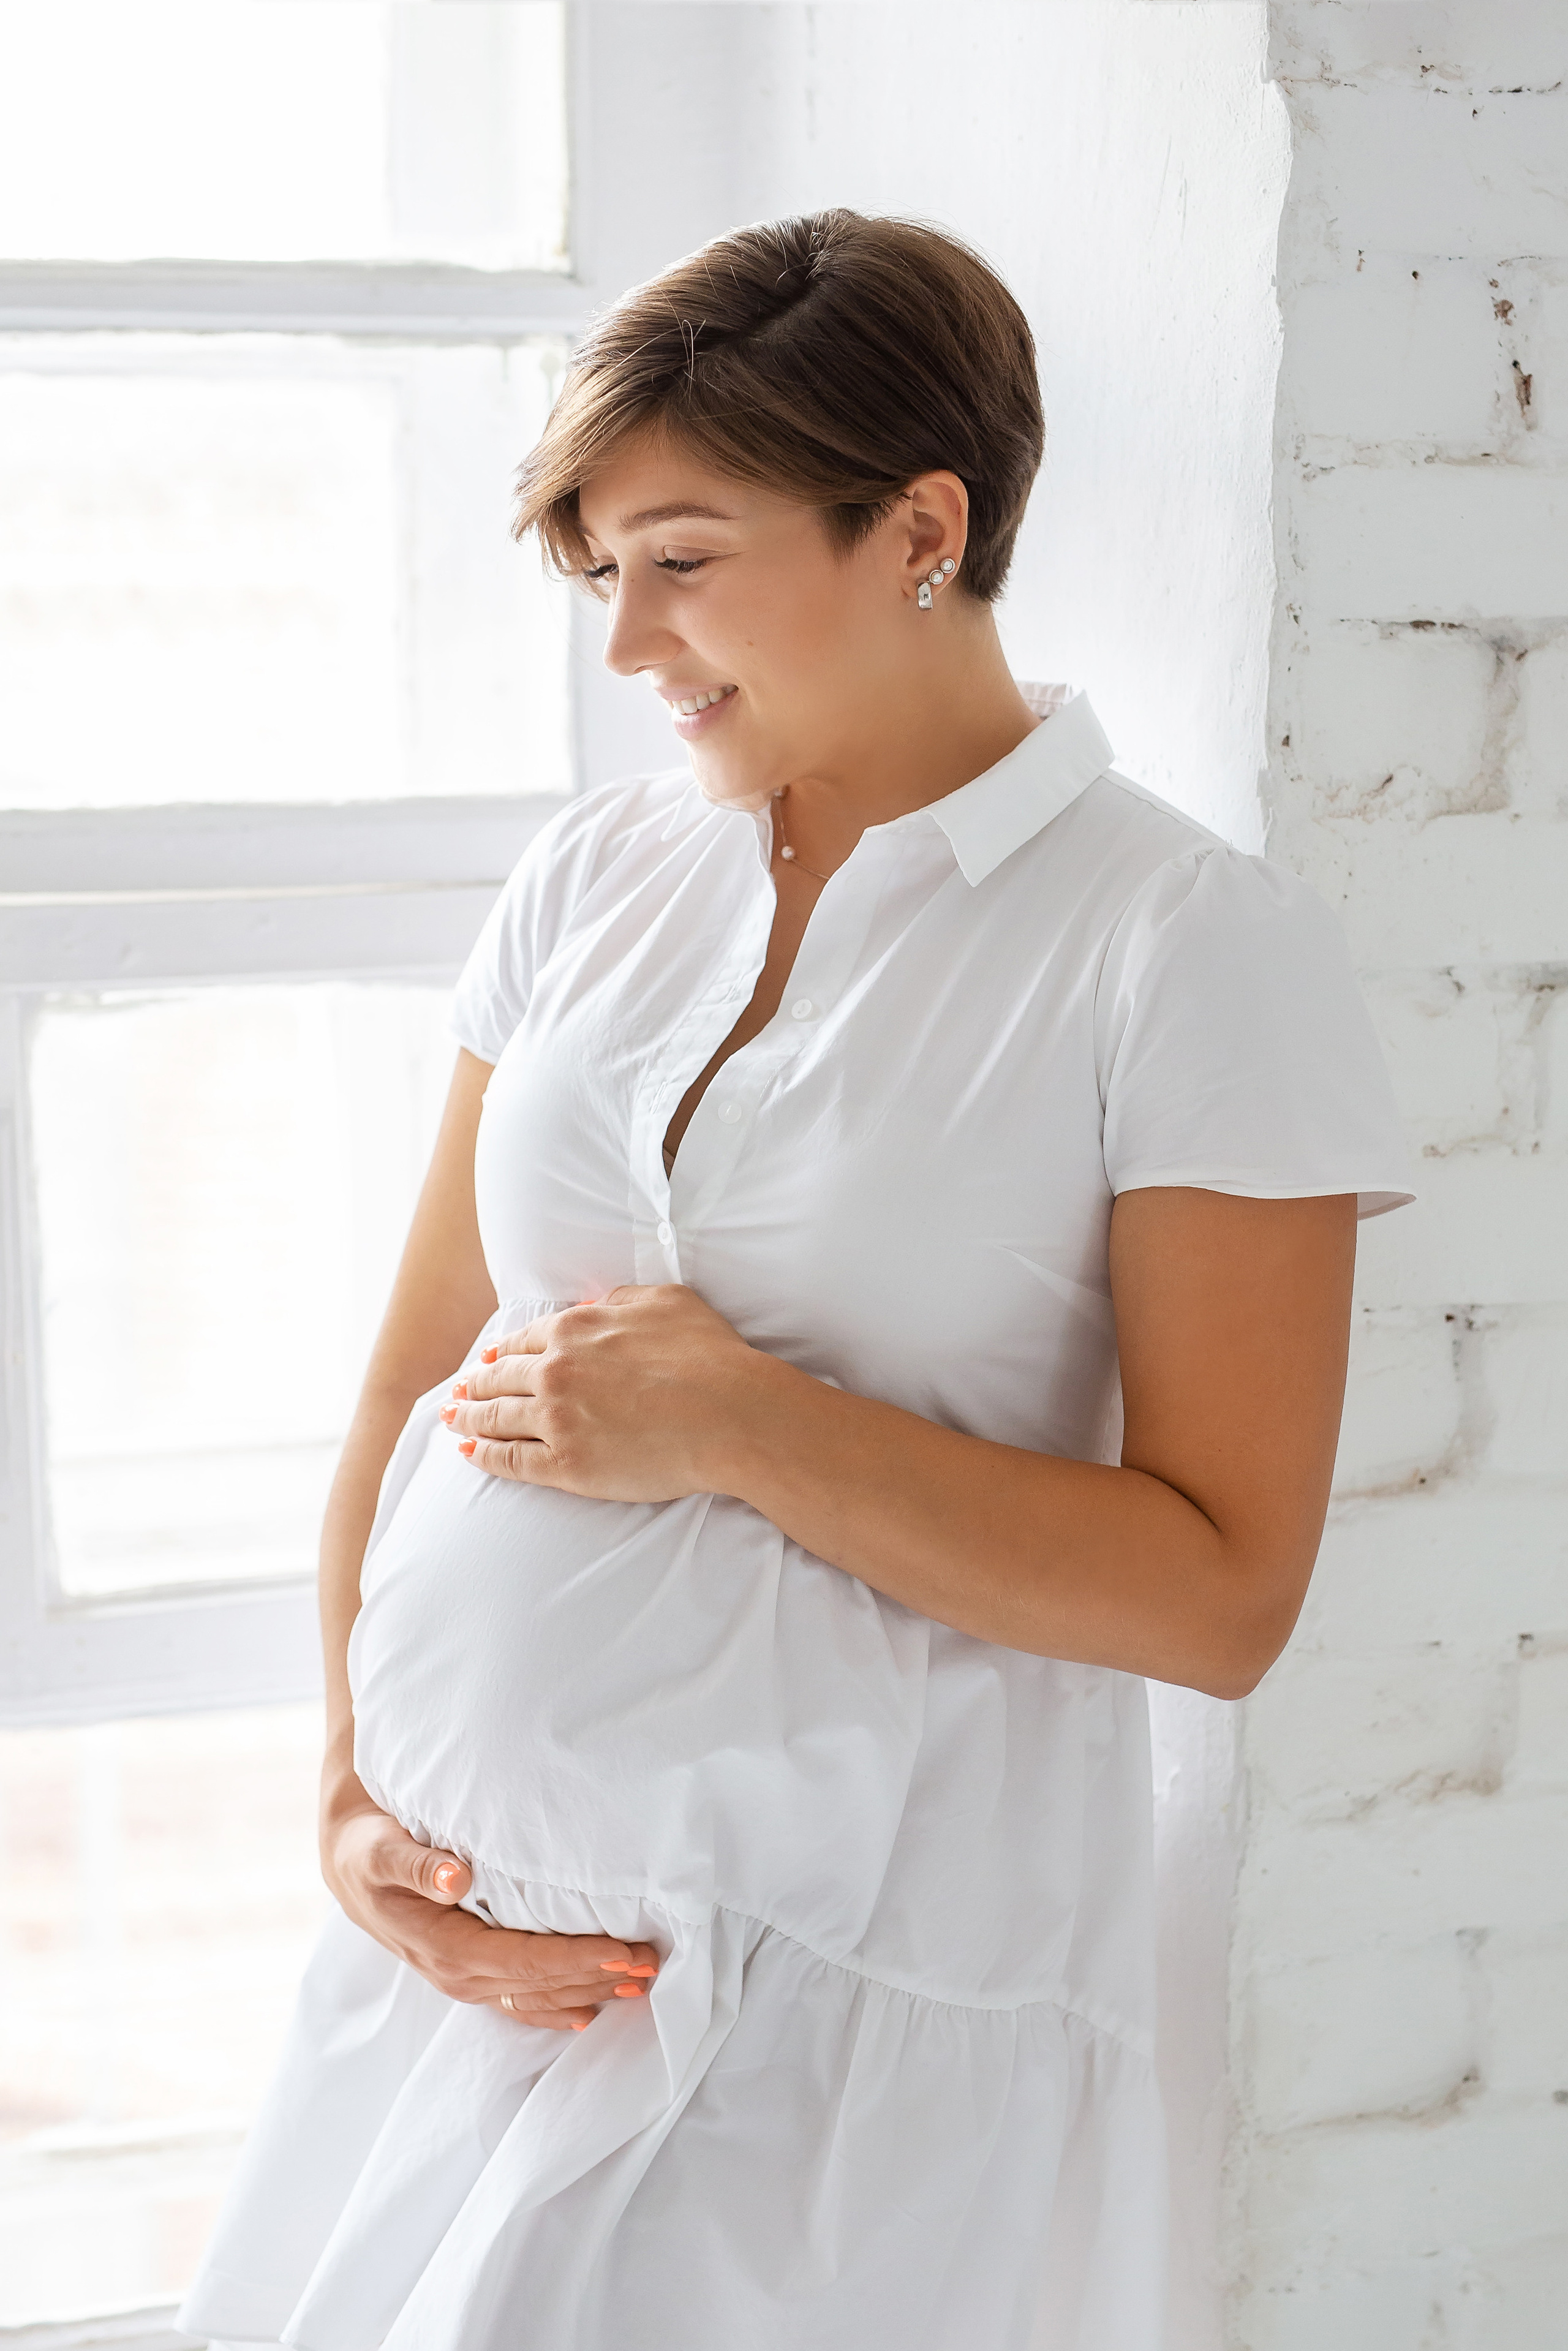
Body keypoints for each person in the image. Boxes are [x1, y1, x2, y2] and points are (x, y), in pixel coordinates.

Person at [180, 211, 1411, 2351]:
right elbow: (410, 1383)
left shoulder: (1186, 950)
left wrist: (745, 1422)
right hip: (454, 1986)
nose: (628, 644)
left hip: (829, 2033)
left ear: (919, 527)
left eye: (681, 557)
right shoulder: (595, 874)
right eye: (598, 574)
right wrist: (353, 1799)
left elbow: (1221, 1596)